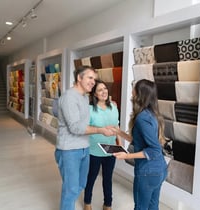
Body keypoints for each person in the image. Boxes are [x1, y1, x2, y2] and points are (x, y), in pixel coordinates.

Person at [55, 66, 115, 210]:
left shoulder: (83, 97)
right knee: (71, 189)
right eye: (90, 78)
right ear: (79, 78)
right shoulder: (69, 97)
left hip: (84, 148)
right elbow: (75, 127)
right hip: (69, 149)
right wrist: (100, 130)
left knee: (81, 184)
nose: (93, 82)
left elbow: (85, 123)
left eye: (94, 79)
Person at [112, 79, 167, 210]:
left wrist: (126, 156)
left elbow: (154, 150)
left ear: (140, 94)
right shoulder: (152, 114)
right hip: (159, 170)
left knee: (141, 207)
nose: (132, 92)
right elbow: (140, 140)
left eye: (134, 89)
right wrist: (118, 132)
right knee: (153, 206)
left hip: (148, 172)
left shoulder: (142, 118)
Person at [84, 79, 121, 210]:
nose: (104, 91)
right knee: (91, 177)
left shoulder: (114, 107)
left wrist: (119, 145)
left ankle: (108, 204)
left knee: (108, 178)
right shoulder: (90, 109)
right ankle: (87, 202)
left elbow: (116, 126)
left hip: (110, 149)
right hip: (94, 150)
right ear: (94, 94)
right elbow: (85, 128)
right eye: (100, 90)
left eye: (105, 88)